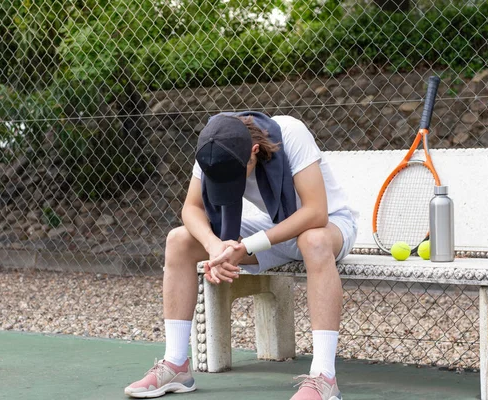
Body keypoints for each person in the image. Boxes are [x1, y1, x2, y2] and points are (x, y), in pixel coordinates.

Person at [124, 111, 358, 400]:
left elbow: (316, 211)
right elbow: (191, 208)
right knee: (179, 240)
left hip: (329, 227)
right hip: (274, 230)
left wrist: (247, 246)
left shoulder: (290, 133)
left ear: (254, 152)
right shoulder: (213, 144)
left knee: (314, 240)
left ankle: (324, 377)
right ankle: (176, 365)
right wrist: (214, 246)